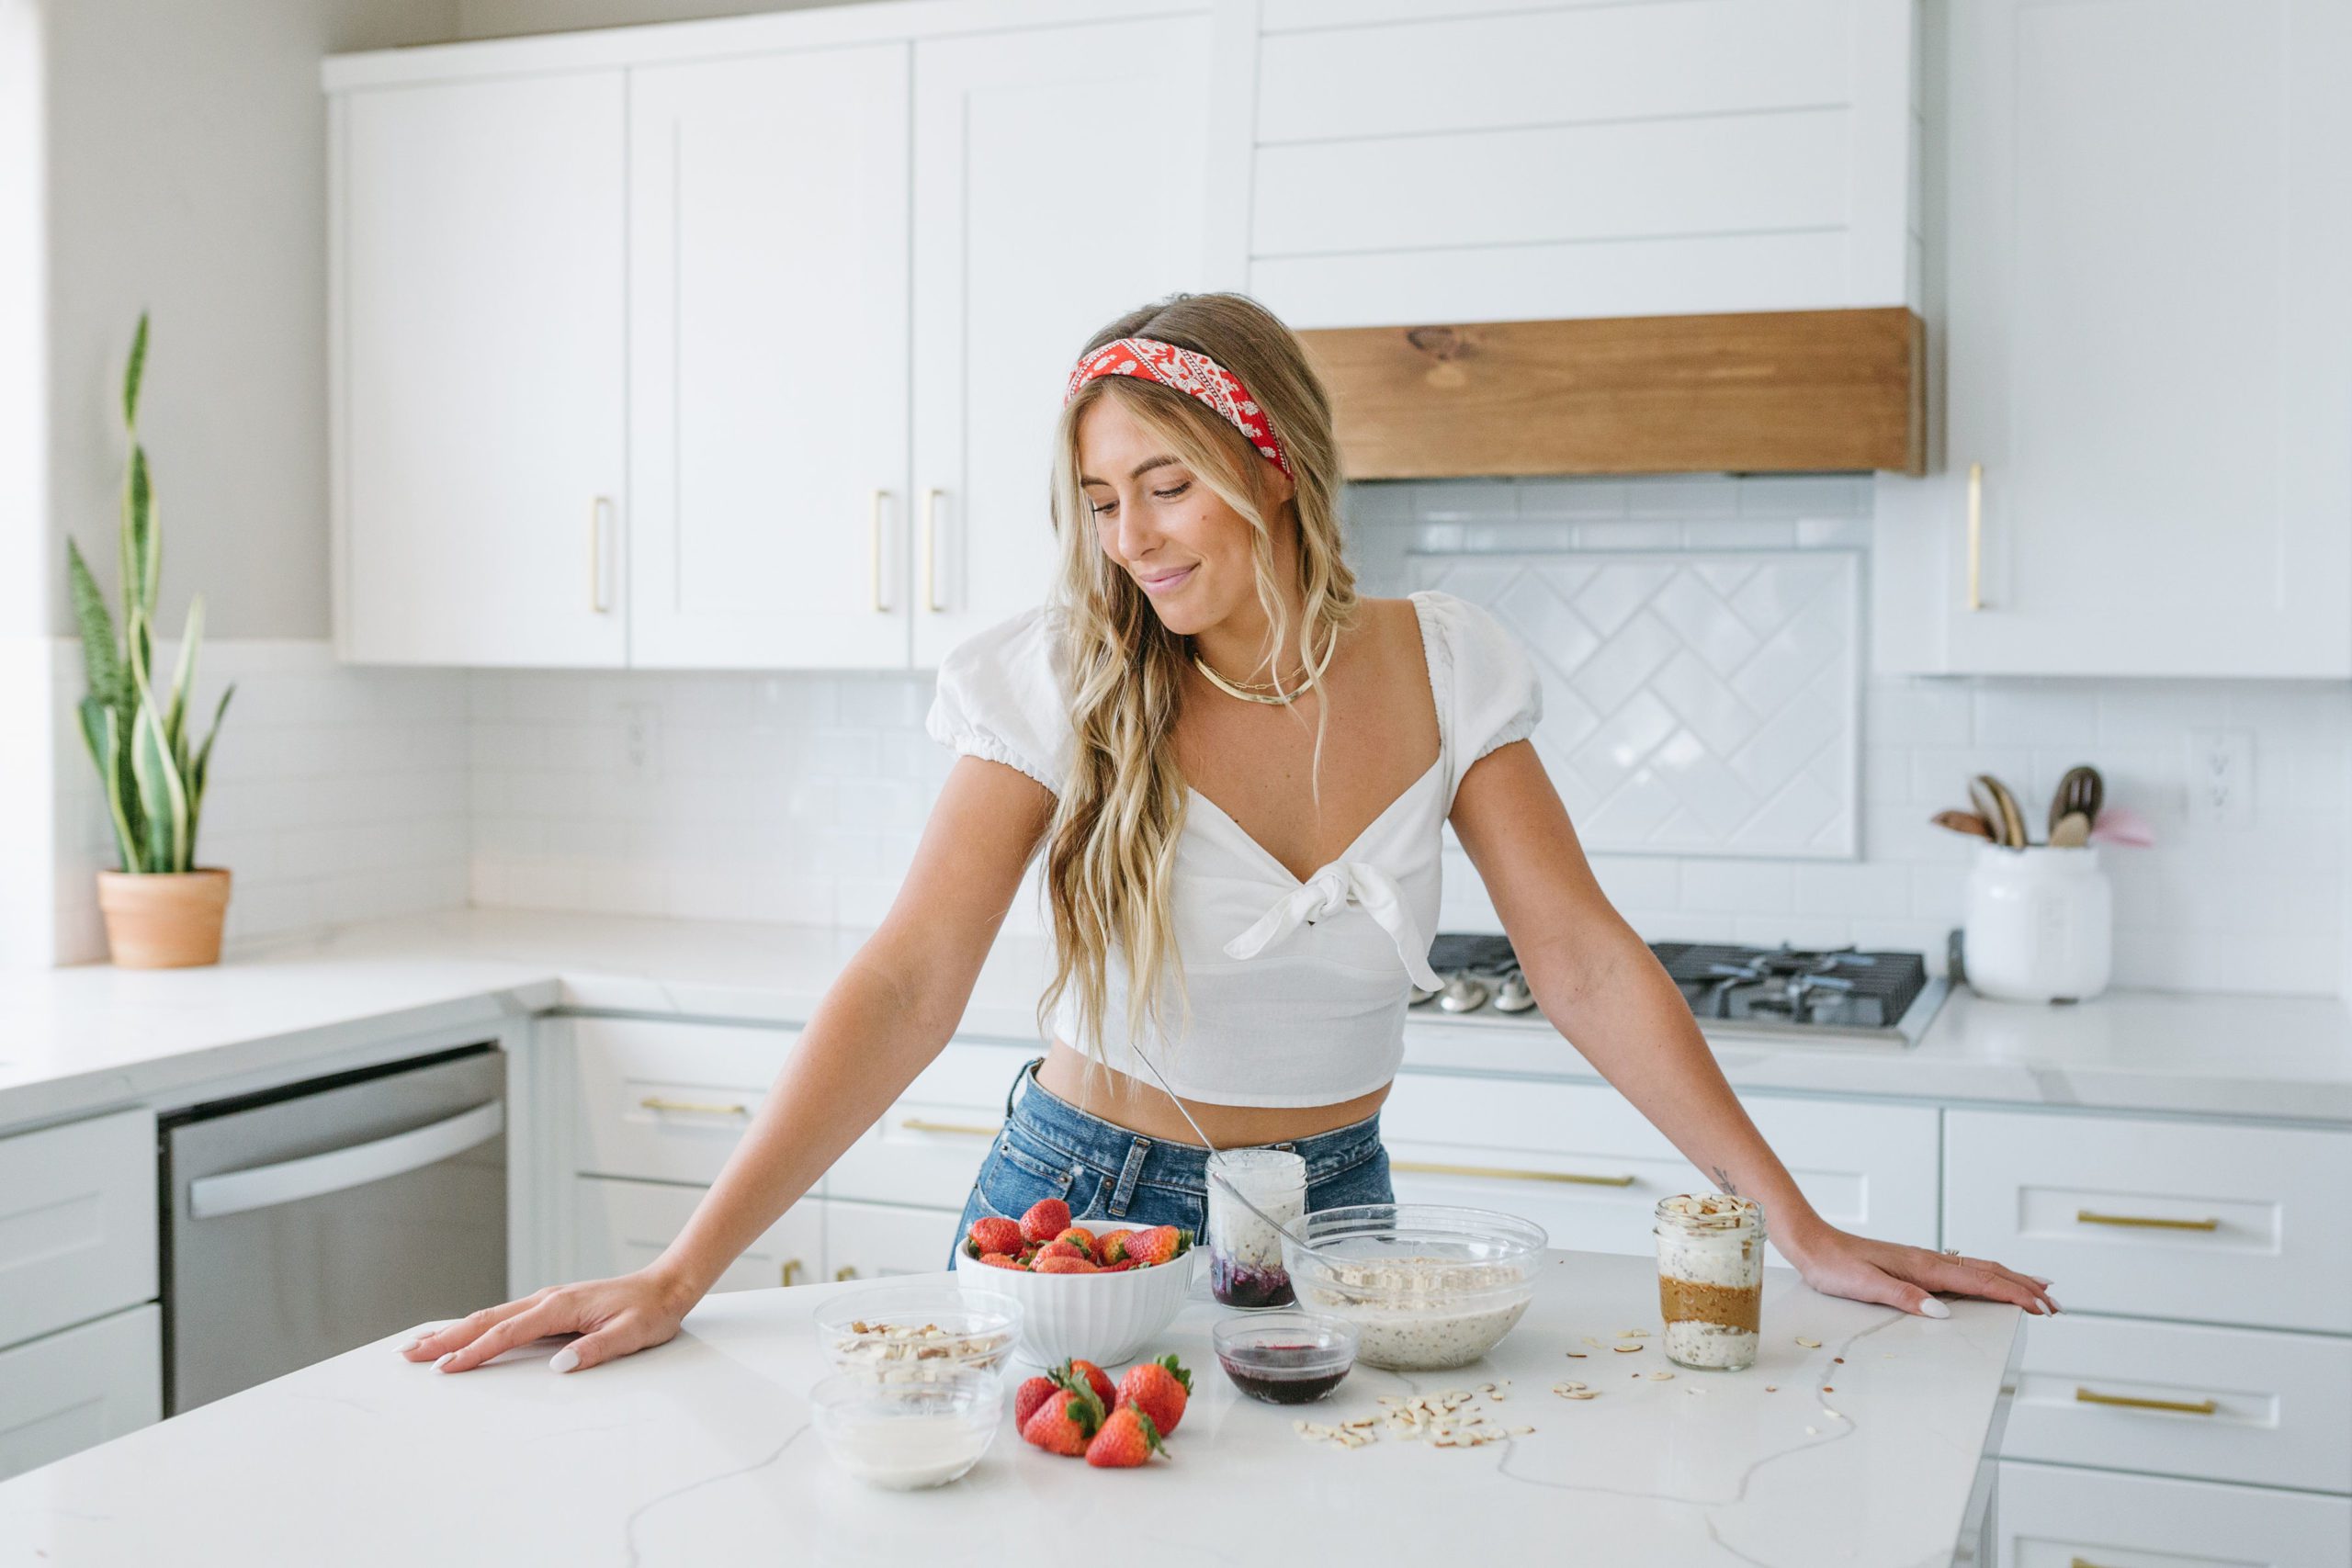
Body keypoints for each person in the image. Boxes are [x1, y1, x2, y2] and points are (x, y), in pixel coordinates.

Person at [407, 292, 2056, 1377]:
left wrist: (1799, 1223)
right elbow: (914, 979)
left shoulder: (1448, 661)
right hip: (1086, 1203)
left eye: (1165, 485)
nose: (1129, 539)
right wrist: (685, 1270)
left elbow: (1584, 961)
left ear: (1269, 467)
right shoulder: (1062, 680)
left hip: (1341, 1206)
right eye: (1102, 502)